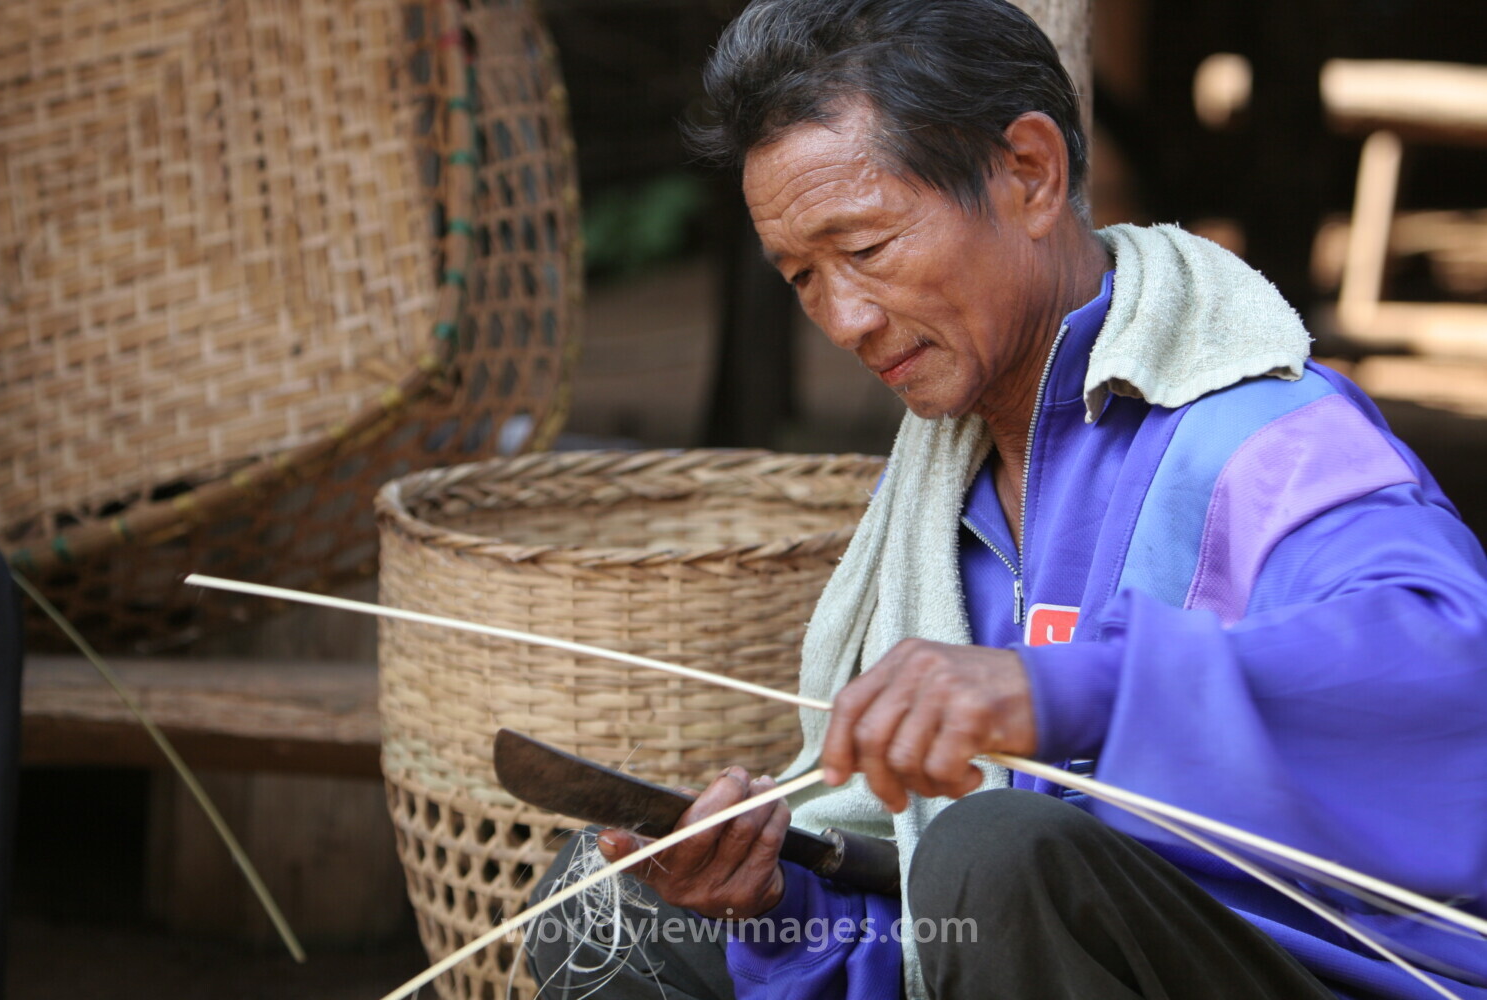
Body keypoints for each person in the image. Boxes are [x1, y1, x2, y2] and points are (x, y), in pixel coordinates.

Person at [526, 1, 1487, 997]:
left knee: (993, 851)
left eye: (866, 248)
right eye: (803, 276)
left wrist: (1062, 688)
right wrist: (772, 902)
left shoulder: (1264, 440)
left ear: (1029, 173)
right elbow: (945, 933)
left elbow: (1454, 671)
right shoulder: (936, 498)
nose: (844, 319)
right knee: (603, 906)